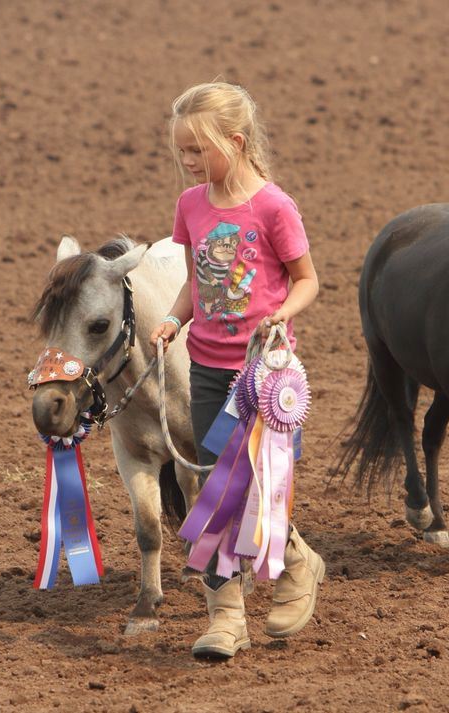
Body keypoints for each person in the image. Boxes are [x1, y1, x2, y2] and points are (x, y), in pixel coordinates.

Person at [149, 82, 324, 658]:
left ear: (237, 141)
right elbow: (196, 280)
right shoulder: (191, 206)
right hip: (205, 368)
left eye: (197, 151)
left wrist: (280, 313)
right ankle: (226, 615)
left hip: (265, 375)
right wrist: (174, 321)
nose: (188, 163)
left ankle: (296, 562)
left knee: (257, 484)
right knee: (214, 486)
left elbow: (307, 280)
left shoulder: (274, 206)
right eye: (181, 152)